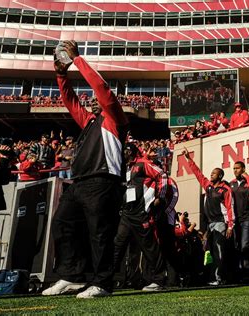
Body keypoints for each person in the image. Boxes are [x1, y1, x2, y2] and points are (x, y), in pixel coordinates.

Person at [42, 40, 128, 298]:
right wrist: (60, 74)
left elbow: (101, 88)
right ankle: (72, 276)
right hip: (79, 182)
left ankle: (102, 283)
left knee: (99, 234)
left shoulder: (115, 119)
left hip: (103, 182)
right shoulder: (90, 122)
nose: (91, 101)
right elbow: (70, 102)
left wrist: (77, 60)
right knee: (62, 223)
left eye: (95, 100)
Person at [112, 143, 167, 292]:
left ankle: (159, 280)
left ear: (130, 151)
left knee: (149, 246)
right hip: (127, 214)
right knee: (117, 244)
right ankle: (106, 279)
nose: (122, 152)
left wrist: (159, 197)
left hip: (140, 213)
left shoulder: (142, 163)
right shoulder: (124, 167)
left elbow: (161, 175)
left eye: (125, 150)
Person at [182, 147, 234, 286]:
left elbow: (230, 208)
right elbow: (198, 174)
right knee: (209, 251)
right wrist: (189, 159)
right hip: (210, 224)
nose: (211, 175)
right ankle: (212, 276)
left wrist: (230, 226)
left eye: (214, 173)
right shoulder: (208, 186)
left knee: (218, 251)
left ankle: (219, 278)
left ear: (220, 176)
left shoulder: (225, 189)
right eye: (211, 173)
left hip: (220, 223)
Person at [230, 161, 249, 283]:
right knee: (237, 246)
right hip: (235, 219)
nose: (235, 170)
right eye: (234, 168)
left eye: (237, 168)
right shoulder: (231, 183)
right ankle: (239, 274)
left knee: (245, 245)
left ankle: (248, 274)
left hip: (247, 218)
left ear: (243, 169)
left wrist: (248, 177)